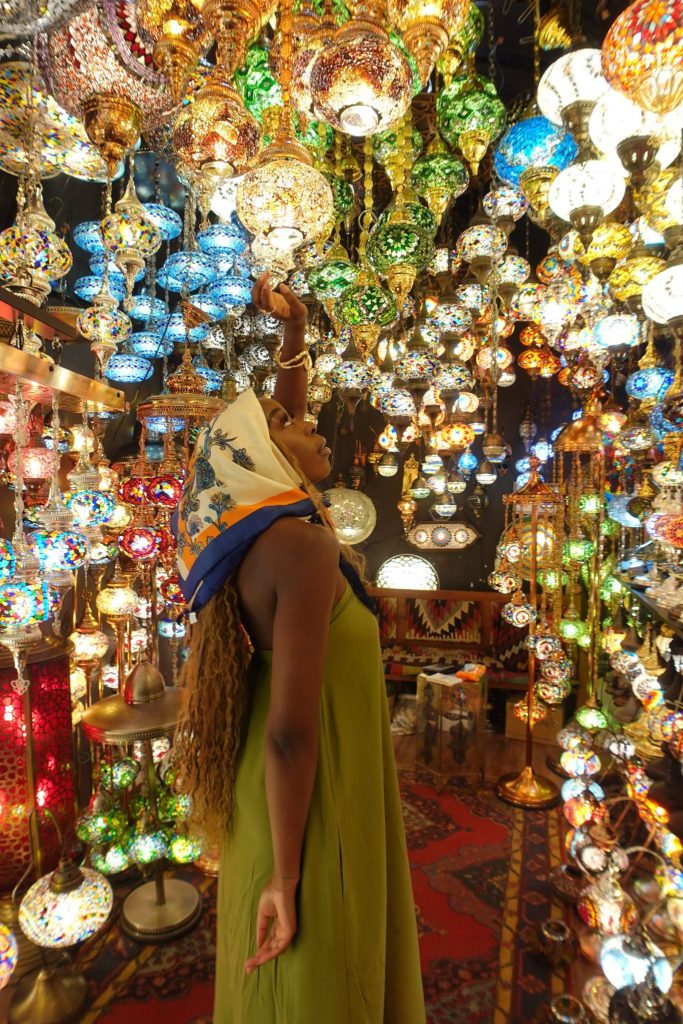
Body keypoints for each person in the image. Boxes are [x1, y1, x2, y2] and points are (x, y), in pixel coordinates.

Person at [175, 273, 425, 1024]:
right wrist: (287, 877)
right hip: (308, 796)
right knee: (314, 978)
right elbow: (288, 734)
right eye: (286, 423)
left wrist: (296, 333)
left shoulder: (268, 543)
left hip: (284, 787)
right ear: (256, 457)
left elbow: (291, 416)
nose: (313, 428)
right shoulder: (304, 550)